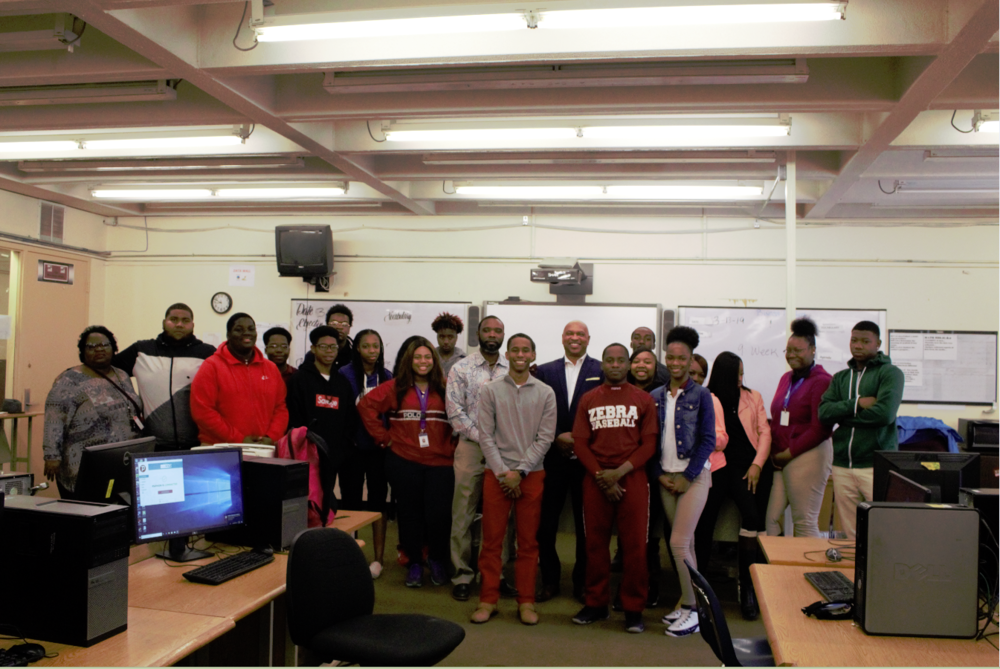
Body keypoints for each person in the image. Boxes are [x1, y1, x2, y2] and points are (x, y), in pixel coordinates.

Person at [570, 343, 658, 634]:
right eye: (611, 360)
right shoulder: (589, 398)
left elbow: (649, 445)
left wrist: (618, 473)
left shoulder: (643, 399)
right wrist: (600, 476)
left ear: (629, 365)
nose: (616, 365)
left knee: (635, 548)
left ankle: (633, 609)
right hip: (595, 479)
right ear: (603, 365)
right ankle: (596, 604)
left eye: (622, 360)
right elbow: (580, 443)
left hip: (631, 478)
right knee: (594, 546)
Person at [471, 334, 557, 626]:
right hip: (497, 475)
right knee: (492, 541)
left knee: (528, 543)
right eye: (515, 350)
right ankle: (488, 600)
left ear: (533, 355)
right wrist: (502, 472)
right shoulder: (490, 390)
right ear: (507, 354)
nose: (520, 354)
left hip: (531, 475)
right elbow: (485, 434)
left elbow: (545, 438)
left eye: (526, 350)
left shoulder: (546, 392)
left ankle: (526, 601)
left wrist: (519, 472)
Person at [358, 337, 455, 588]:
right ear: (409, 361)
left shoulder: (446, 387)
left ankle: (435, 560)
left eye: (427, 357)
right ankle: (413, 563)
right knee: (409, 514)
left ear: (434, 361)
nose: (423, 362)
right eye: (417, 357)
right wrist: (384, 438)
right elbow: (366, 406)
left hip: (440, 463)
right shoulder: (395, 387)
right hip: (404, 460)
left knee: (439, 515)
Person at [649, 326, 716, 638]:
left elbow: (708, 440)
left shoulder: (702, 396)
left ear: (691, 361)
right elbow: (650, 442)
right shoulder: (655, 397)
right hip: (666, 479)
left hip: (694, 478)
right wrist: (661, 476)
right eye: (671, 358)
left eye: (682, 358)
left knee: (677, 543)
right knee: (685, 544)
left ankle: (694, 611)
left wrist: (688, 478)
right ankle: (693, 605)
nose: (675, 363)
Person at [534, 320, 603, 603]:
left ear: (588, 339)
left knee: (586, 526)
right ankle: (549, 580)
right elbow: (535, 411)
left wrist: (580, 440)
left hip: (588, 460)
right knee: (545, 525)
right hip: (552, 458)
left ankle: (581, 582)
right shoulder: (544, 371)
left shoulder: (601, 370)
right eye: (570, 333)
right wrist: (554, 437)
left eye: (580, 334)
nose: (575, 338)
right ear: (562, 338)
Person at [446, 315, 513, 602]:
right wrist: (483, 439)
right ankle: (462, 575)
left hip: (506, 450)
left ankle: (495, 575)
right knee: (462, 513)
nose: (492, 334)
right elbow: (455, 412)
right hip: (471, 447)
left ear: (503, 335)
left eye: (497, 330)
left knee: (501, 517)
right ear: (478, 333)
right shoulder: (460, 368)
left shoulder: (514, 368)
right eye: (487, 329)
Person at [700, 351, 771, 620]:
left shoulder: (753, 397)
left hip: (746, 467)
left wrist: (757, 465)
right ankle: (701, 589)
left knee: (752, 518)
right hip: (717, 467)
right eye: (738, 373)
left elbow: (765, 432)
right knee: (705, 522)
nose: (742, 378)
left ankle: (748, 589)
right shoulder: (708, 398)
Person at [818, 321, 904, 539]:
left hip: (876, 465)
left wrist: (844, 418)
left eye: (865, 341)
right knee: (852, 532)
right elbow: (824, 413)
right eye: (854, 340)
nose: (858, 345)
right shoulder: (840, 378)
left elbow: (884, 414)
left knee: (884, 529)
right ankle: (854, 572)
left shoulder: (890, 373)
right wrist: (856, 404)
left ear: (878, 344)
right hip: (842, 465)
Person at [44, 326, 144, 498]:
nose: (99, 349)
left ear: (113, 348)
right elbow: (54, 418)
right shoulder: (69, 380)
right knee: (86, 513)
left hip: (120, 460)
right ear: (82, 352)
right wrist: (51, 455)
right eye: (91, 346)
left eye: (105, 344)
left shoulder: (121, 375)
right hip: (82, 463)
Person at [112, 303, 216, 450]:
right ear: (163, 322)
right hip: (153, 446)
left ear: (193, 325)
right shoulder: (141, 351)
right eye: (173, 319)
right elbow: (105, 369)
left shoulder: (207, 353)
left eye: (185, 320)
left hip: (197, 445)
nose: (179, 324)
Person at [766, 318, 834, 538]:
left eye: (798, 350)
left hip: (807, 454)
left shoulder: (822, 381)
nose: (792, 354)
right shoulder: (786, 378)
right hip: (782, 459)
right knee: (772, 520)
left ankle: (810, 572)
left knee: (804, 522)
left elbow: (820, 429)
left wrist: (789, 452)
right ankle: (779, 570)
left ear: (813, 350)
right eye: (789, 350)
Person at [339, 328, 393, 578]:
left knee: (378, 502)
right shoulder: (344, 375)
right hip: (352, 449)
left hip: (379, 450)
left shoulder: (387, 376)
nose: (372, 351)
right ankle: (351, 556)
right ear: (357, 349)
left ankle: (378, 560)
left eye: (376, 346)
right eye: (366, 346)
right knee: (350, 502)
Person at [286, 325, 357, 511]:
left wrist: (342, 450)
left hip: (333, 455)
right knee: (305, 501)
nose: (329, 351)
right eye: (323, 346)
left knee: (325, 501)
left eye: (333, 347)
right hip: (305, 455)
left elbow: (350, 418)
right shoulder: (299, 379)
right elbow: (294, 417)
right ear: (313, 349)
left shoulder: (342, 383)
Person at [190, 313, 288, 445]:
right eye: (239, 329)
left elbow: (280, 408)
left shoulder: (271, 369)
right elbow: (203, 411)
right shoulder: (211, 366)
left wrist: (271, 437)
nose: (246, 333)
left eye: (251, 329)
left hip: (263, 448)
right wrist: (238, 439)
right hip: (220, 448)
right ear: (228, 335)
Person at [432, 312, 467, 378]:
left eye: (450, 337)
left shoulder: (464, 360)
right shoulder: (430, 357)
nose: (446, 341)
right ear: (437, 337)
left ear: (456, 338)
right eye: (442, 337)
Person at [325, 304, 355, 371]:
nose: (339, 327)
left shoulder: (356, 355)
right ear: (327, 326)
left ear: (349, 328)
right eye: (334, 323)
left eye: (344, 324)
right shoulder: (316, 353)